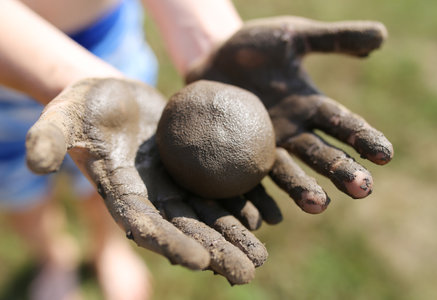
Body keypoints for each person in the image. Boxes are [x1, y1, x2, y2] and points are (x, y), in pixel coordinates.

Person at [0, 0, 393, 299]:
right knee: (22, 196)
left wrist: (209, 35)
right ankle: (52, 256)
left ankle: (108, 251)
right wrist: (57, 73)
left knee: (98, 190)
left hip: (110, 45)